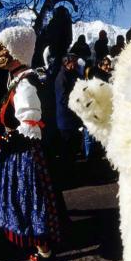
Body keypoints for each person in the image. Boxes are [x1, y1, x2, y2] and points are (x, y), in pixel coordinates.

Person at [0, 26, 60, 261]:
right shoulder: (17, 80)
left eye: (2, 48)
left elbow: (29, 126)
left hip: (26, 157)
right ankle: (40, 249)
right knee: (25, 202)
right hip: (19, 155)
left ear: (16, 51)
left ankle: (45, 253)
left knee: (30, 201)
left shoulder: (26, 84)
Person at [55, 53, 83, 182]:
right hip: (66, 119)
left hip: (73, 118)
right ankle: (67, 175)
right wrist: (77, 103)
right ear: (67, 63)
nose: (76, 64)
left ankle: (73, 172)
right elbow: (63, 99)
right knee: (67, 149)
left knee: (73, 148)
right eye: (74, 62)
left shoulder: (73, 74)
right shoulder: (62, 77)